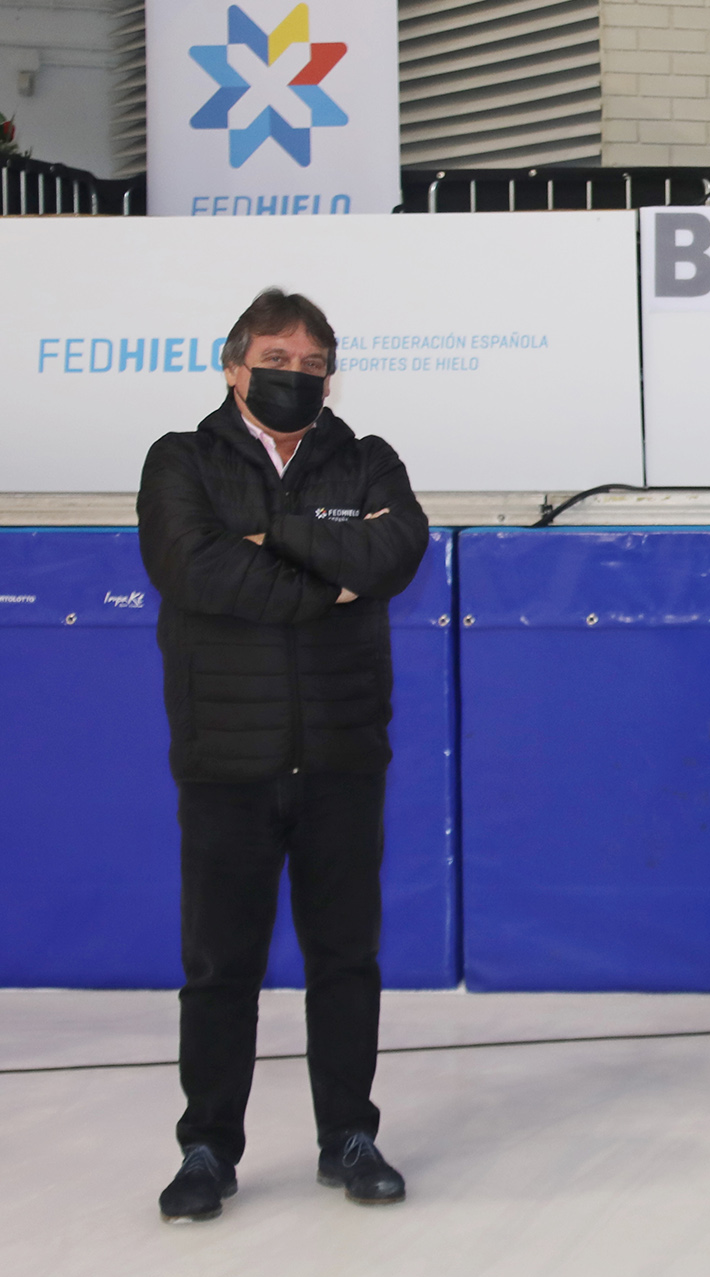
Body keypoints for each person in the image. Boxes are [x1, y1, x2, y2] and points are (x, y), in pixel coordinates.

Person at [136, 288, 431, 1222]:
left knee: (346, 957)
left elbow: (394, 553)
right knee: (221, 965)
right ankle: (207, 1147)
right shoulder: (181, 461)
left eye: (312, 364)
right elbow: (197, 567)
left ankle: (349, 1134)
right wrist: (327, 580)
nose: (294, 376)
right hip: (228, 759)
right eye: (276, 358)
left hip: (344, 755)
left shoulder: (368, 458)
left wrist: (282, 540)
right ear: (233, 366)